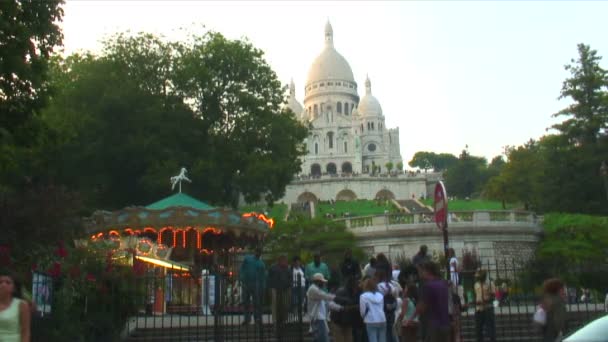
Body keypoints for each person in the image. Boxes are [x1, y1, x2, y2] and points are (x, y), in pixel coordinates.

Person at [405, 262, 450, 342]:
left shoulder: (428, 286)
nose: (419, 274)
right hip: (445, 324)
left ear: (427, 271)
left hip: (434, 325)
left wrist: (411, 318)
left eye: (420, 271)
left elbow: (422, 305)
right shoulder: (443, 284)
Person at [307, 273, 342, 342]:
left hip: (320, 318)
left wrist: (341, 308)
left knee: (320, 339)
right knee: (323, 339)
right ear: (317, 281)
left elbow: (328, 303)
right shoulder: (313, 289)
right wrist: (338, 298)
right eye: (322, 282)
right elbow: (326, 296)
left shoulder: (318, 290)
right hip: (318, 318)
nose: (323, 283)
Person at [0, 270, 30, 342]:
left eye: (8, 282)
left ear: (14, 288)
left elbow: (25, 333)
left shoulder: (21, 305)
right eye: (0, 282)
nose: (3, 285)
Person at [239, 247, 266, 325]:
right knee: (246, 302)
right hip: (246, 283)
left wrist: (262, 286)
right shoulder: (247, 259)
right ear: (255, 252)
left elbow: (263, 276)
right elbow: (242, 268)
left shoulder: (261, 264)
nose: (258, 253)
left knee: (256, 302)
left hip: (256, 284)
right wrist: (242, 277)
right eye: (257, 252)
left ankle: (257, 318)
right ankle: (247, 319)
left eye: (259, 252)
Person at [267, 254, 291, 336]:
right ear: (279, 260)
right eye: (284, 260)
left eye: (286, 260)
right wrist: (270, 288)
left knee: (285, 306)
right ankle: (275, 324)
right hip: (275, 289)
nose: (285, 262)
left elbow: (290, 278)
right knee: (275, 307)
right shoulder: (273, 268)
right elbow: (269, 278)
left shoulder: (287, 268)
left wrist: (288, 285)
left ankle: (283, 322)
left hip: (285, 290)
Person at [330, 277, 359, 342]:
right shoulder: (342, 292)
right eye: (356, 284)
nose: (357, 286)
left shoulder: (350, 292)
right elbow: (339, 307)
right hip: (338, 321)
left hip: (346, 322)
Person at [376, 269, 401, 342]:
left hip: (384, 310)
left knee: (385, 331)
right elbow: (396, 295)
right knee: (391, 329)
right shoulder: (391, 285)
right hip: (392, 309)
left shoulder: (378, 286)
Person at [360, 277, 387, 342]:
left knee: (373, 339)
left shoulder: (363, 296)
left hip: (370, 319)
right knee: (382, 339)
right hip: (382, 318)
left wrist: (363, 317)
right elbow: (382, 307)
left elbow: (362, 310)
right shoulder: (380, 295)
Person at [474, 270, 496, 342]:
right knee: (478, 329)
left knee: (490, 329)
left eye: (479, 277)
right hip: (479, 309)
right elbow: (476, 295)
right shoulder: (476, 284)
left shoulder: (490, 284)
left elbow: (493, 296)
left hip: (488, 308)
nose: (477, 278)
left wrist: (485, 300)